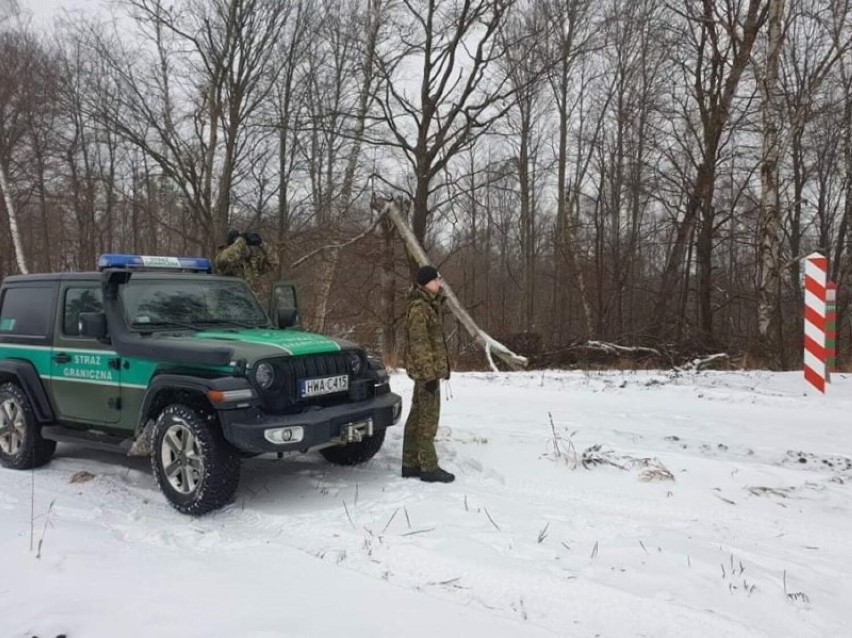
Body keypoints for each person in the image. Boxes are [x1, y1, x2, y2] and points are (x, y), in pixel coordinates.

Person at [401, 265, 455, 483]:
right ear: (426, 283)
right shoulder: (419, 309)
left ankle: (410, 463)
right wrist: (429, 376)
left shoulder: (429, 305)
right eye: (436, 280)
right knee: (427, 419)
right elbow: (419, 346)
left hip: (428, 372)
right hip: (427, 375)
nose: (439, 283)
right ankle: (429, 467)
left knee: (417, 417)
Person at [214, 229, 278, 297]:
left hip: (251, 304)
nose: (245, 247)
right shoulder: (221, 256)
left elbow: (274, 261)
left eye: (245, 244)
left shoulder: (253, 263)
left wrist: (261, 244)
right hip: (231, 302)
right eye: (242, 245)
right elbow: (225, 258)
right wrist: (241, 241)